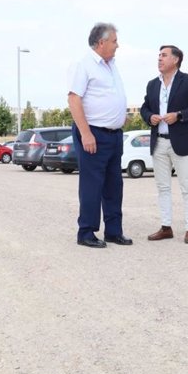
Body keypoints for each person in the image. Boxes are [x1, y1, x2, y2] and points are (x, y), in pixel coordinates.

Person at [67, 23, 132, 248]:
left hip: (114, 135)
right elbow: (74, 99)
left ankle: (114, 231)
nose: (117, 45)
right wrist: (85, 133)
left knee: (114, 185)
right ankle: (86, 232)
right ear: (101, 42)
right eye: (114, 41)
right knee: (92, 185)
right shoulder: (83, 65)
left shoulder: (111, 65)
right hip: (93, 133)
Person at [140, 45, 188, 244]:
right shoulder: (152, 84)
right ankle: (166, 227)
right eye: (158, 55)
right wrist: (149, 116)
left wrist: (179, 115)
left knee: (187, 186)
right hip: (158, 142)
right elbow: (144, 108)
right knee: (163, 187)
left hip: (181, 142)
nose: (159, 59)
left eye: (164, 55)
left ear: (175, 59)